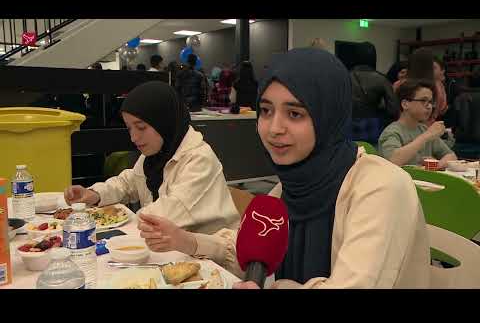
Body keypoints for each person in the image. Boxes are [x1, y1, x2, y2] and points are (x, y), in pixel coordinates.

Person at [138, 48, 430, 289]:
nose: (274, 129)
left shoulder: (380, 187)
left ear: (328, 114)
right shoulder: (287, 189)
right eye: (265, 110)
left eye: (295, 113)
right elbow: (249, 253)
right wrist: (186, 240)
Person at [64, 81, 239, 234]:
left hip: (210, 259)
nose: (134, 138)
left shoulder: (199, 159)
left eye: (141, 127)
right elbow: (128, 183)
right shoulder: (157, 154)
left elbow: (167, 213)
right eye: (129, 128)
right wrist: (94, 194)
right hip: (169, 247)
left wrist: (108, 220)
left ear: (164, 123)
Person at [378, 79, 457, 168]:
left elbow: (451, 156)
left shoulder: (423, 129)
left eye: (430, 102)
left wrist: (435, 165)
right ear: (405, 104)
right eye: (423, 101)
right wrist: (426, 136)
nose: (429, 106)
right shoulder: (392, 132)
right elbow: (393, 161)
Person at [350, 42, 398, 143]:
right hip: (372, 125)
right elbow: (393, 109)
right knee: (371, 153)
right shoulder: (382, 79)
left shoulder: (344, 76)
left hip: (347, 124)